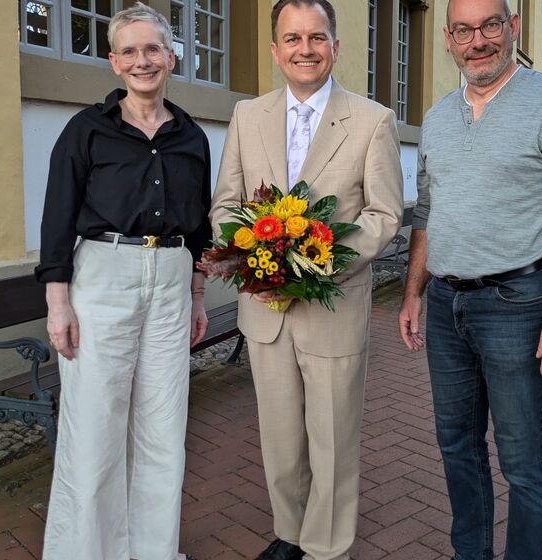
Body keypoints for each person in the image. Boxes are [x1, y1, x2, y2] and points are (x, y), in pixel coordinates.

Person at [398, 0, 542, 559]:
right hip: (445, 305)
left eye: (491, 25)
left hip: (518, 303)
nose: (479, 40)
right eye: (464, 30)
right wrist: (414, 291)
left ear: (512, 27)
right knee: (457, 448)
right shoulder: (439, 116)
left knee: (522, 459)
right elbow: (426, 211)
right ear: (448, 38)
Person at [210, 1, 403, 558]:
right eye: (292, 38)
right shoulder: (248, 116)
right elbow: (227, 203)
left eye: (317, 37)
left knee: (334, 437)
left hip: (333, 305)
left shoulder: (372, 120)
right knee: (279, 436)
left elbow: (384, 215)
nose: (305, 49)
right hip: (265, 309)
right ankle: (290, 534)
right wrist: (252, 257)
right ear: (275, 50)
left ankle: (327, 546)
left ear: (335, 47)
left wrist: (316, 262)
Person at [35, 4, 210, 559]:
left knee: (163, 426)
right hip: (103, 277)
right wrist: (57, 304)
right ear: (113, 62)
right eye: (130, 51)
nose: (143, 60)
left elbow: (199, 224)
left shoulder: (191, 137)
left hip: (172, 278)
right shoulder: (86, 130)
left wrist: (197, 295)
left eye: (153, 49)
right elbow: (57, 219)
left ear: (171, 57)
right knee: (94, 427)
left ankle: (154, 550)